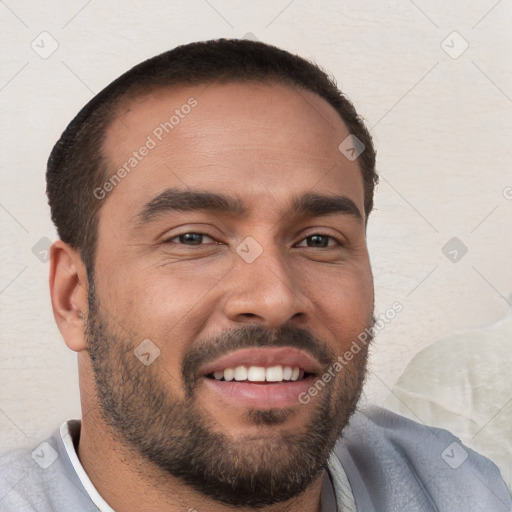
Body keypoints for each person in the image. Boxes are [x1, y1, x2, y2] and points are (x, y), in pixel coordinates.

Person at [0, 39, 509, 512]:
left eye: (318, 240)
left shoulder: (459, 489)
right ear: (74, 298)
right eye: (193, 238)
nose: (274, 297)